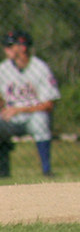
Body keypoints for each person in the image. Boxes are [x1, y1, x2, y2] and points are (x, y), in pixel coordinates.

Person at [0, 30, 60, 177]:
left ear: (22, 47)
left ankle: (46, 170)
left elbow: (49, 104)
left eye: (10, 45)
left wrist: (19, 110)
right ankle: (3, 170)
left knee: (41, 119)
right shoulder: (3, 69)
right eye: (5, 46)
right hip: (10, 119)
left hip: (33, 116)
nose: (6, 49)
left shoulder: (39, 68)